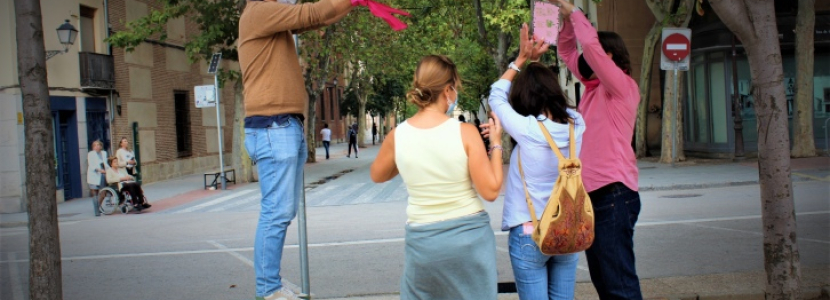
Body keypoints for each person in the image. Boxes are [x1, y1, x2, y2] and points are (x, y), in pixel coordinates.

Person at [237, 0, 355, 299]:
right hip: (273, 127)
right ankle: (268, 289)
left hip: (282, 125)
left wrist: (352, 5)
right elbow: (311, 12)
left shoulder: (271, 19)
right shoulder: (260, 10)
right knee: (276, 213)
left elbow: (316, 20)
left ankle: (269, 284)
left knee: (280, 212)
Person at [370, 55, 505, 300]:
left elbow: (378, 175)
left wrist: (409, 156)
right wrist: (496, 144)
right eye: (455, 87)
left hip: (423, 242)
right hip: (469, 238)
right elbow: (491, 190)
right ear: (447, 90)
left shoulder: (398, 135)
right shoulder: (465, 132)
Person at [486, 23, 586, 300]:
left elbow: (495, 95)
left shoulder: (527, 129)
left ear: (524, 96)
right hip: (568, 226)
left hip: (530, 230)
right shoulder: (576, 124)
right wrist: (537, 66)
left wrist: (521, 60)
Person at [556, 1, 643, 299]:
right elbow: (567, 52)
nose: (584, 60)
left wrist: (575, 13)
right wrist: (566, 23)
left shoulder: (623, 87)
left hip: (613, 195)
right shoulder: (592, 90)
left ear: (608, 57)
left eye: (593, 55)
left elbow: (589, 48)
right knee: (605, 284)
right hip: (592, 197)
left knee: (619, 286)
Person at [87, 140, 109, 217]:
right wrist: (99, 170)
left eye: (98, 145)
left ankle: (98, 206)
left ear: (101, 146)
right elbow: (91, 165)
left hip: (102, 175)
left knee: (103, 192)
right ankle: (96, 211)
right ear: (93, 147)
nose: (97, 146)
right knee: (94, 193)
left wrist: (108, 170)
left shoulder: (104, 153)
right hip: (93, 175)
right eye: (95, 145)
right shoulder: (90, 154)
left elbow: (105, 163)